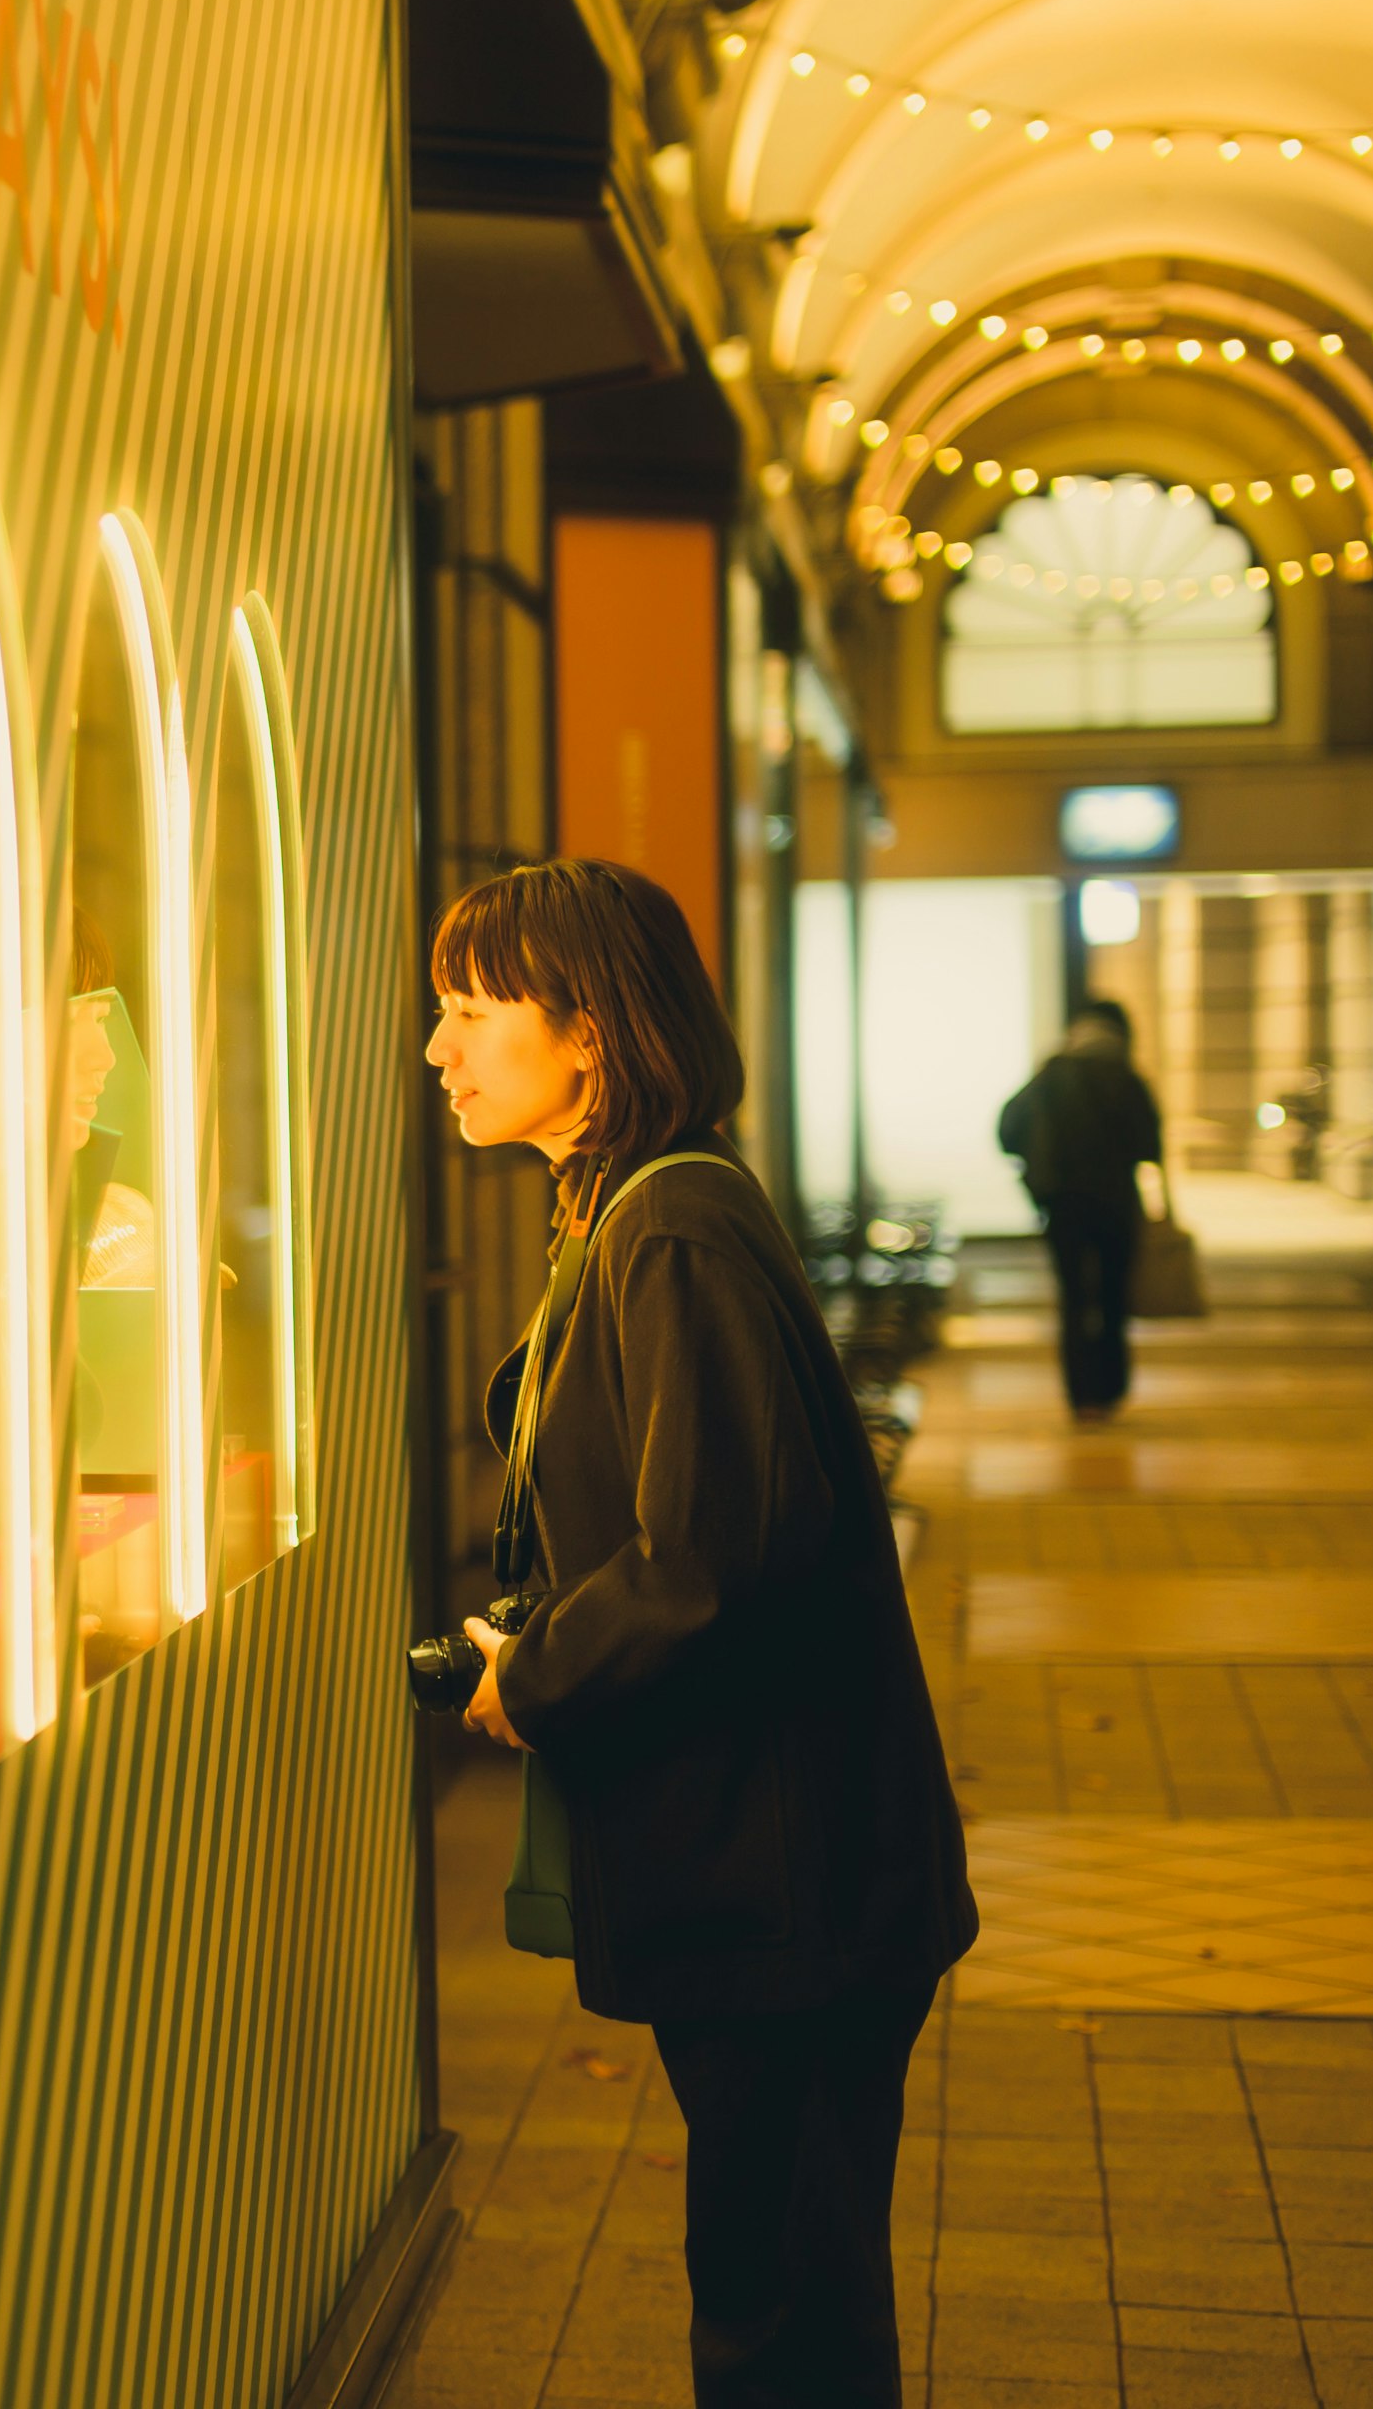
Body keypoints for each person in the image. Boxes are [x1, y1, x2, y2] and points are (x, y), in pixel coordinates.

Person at [428, 859, 975, 2409]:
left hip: (792, 1882)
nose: (439, 1050)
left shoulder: (669, 1225)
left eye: (472, 1011)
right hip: (776, 1870)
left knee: (775, 2304)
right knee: (772, 2275)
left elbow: (713, 1555)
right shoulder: (627, 1207)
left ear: (589, 1033)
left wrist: (530, 1679)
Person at [995, 1001, 1164, 1420]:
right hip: (1116, 1204)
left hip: (1063, 1204)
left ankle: (1080, 1395)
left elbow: (1007, 1128)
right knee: (1112, 1296)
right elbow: (1150, 1146)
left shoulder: (1051, 1075)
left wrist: (1039, 1164)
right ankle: (1110, 1388)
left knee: (1072, 1297)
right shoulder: (1127, 1077)